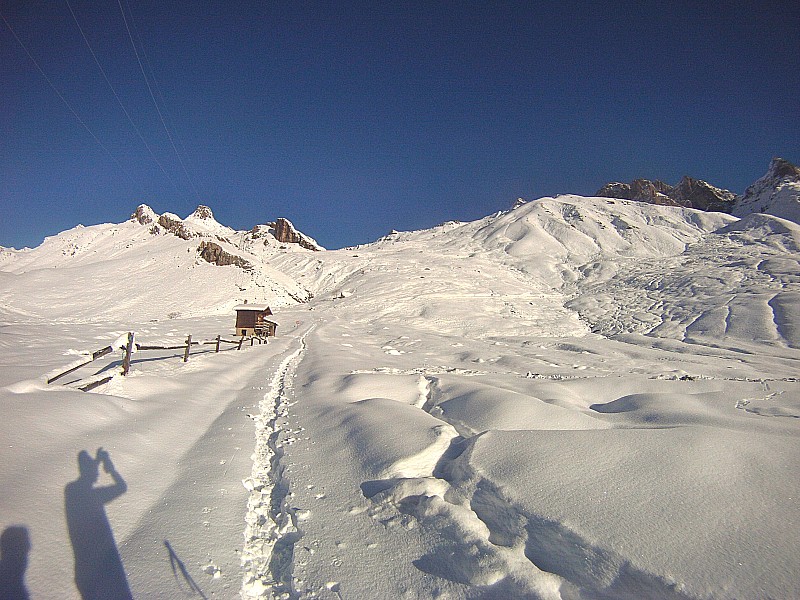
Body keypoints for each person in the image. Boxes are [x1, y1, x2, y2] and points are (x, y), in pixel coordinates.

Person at [64, 448, 132, 600]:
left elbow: (121, 487)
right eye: (93, 470)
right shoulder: (84, 494)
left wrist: (101, 464)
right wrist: (108, 467)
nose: (96, 474)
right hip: (100, 573)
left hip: (90, 572)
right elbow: (121, 487)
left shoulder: (76, 493)